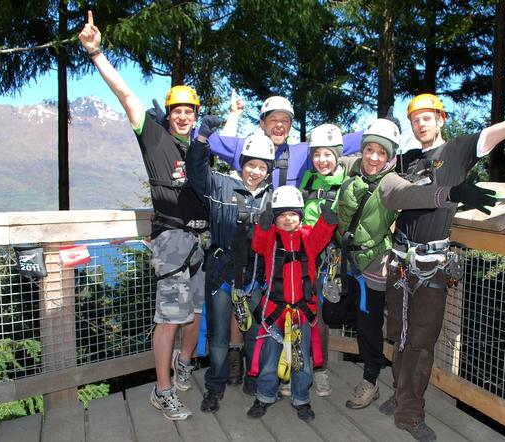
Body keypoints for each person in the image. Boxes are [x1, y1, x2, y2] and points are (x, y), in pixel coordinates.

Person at [381, 62, 505, 442]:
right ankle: (399, 394)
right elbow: (389, 191)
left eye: (427, 118)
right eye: (415, 120)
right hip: (400, 261)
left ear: (440, 119)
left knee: (422, 341)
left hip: (430, 264)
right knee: (400, 333)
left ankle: (409, 412)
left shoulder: (458, 151)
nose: (421, 124)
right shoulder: (406, 160)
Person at [79, 11, 210, 420]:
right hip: (171, 240)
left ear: (196, 114)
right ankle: (162, 389)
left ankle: (184, 363)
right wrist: (97, 52)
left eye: (189, 111)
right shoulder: (153, 136)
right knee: (169, 318)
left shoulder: (203, 148)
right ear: (168, 113)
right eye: (177, 110)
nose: (183, 115)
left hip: (202, 243)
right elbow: (126, 96)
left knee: (195, 313)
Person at [322, 118, 497, 412]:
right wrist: (326, 160)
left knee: (369, 326)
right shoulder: (355, 168)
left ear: (391, 157)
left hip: (375, 265)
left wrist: (452, 194)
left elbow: (414, 195)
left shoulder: (390, 182)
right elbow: (338, 158)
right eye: (369, 150)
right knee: (339, 313)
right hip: (347, 261)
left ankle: (370, 379)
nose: (373, 157)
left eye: (381, 152)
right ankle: (385, 381)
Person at [186, 127, 275, 413]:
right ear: (242, 163)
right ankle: (215, 386)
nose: (255, 172)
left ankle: (254, 378)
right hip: (222, 272)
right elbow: (196, 173)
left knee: (255, 333)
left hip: (256, 275)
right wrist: (201, 141)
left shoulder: (273, 197)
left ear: (268, 170)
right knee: (219, 334)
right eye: (251, 164)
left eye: (262, 167)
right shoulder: (221, 185)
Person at [246, 186, 338, 422]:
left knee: (301, 359)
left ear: (300, 215)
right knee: (270, 356)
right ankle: (265, 395)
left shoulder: (307, 237)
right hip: (275, 310)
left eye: (293, 214)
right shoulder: (270, 240)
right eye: (282, 215)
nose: (288, 219)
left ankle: (301, 398)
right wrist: (264, 226)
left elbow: (322, 236)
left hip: (301, 311)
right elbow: (257, 244)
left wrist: (328, 220)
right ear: (275, 218)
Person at [207, 96, 363, 187]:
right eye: (273, 119)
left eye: (285, 120)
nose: (279, 125)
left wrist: (382, 128)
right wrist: (233, 116)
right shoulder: (243, 148)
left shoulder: (303, 154)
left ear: (290, 126)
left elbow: (342, 142)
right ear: (262, 124)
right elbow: (205, 139)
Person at [298, 123, 347, 397]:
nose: (322, 160)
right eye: (317, 154)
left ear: (338, 155)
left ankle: (320, 370)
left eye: (328, 154)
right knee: (299, 310)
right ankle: (299, 365)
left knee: (320, 317)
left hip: (329, 258)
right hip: (304, 255)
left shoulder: (346, 183)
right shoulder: (307, 179)